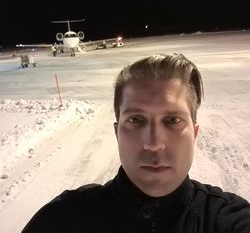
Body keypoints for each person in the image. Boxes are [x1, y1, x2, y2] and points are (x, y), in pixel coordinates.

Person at [22, 54, 250, 233]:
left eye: (172, 120)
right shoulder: (65, 220)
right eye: (136, 120)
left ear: (195, 133)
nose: (153, 143)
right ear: (117, 133)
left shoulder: (228, 219)